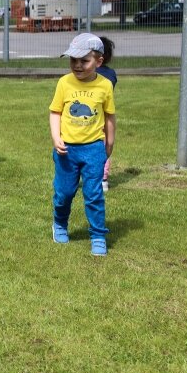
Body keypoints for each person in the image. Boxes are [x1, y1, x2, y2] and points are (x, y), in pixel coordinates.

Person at [49, 33, 116, 256]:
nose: (77, 65)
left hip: (94, 149)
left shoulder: (105, 85)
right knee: (64, 193)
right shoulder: (64, 83)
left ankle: (98, 236)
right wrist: (56, 138)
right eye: (73, 60)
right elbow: (55, 112)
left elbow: (109, 116)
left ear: (99, 61)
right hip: (67, 150)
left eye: (84, 61)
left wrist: (109, 143)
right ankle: (60, 223)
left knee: (93, 194)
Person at [95, 37, 117, 193]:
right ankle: (103, 179)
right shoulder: (111, 74)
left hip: (94, 117)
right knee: (104, 146)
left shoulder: (91, 73)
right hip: (105, 115)